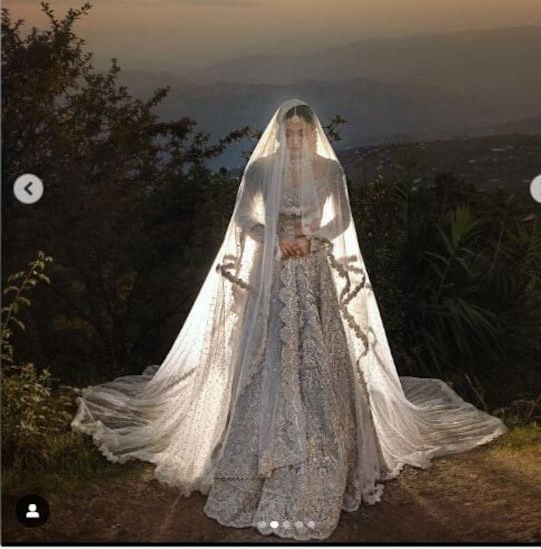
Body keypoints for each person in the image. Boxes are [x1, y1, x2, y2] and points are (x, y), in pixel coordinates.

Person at [71, 99, 508, 541]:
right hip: (273, 267)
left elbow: (341, 221)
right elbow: (244, 217)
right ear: (280, 133)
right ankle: (260, 448)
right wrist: (275, 237)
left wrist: (312, 238)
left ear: (311, 133)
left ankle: (328, 445)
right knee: (268, 348)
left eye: (301, 132)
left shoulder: (329, 171)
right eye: (289, 132)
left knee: (319, 349)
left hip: (314, 270)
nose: (295, 139)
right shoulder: (262, 171)